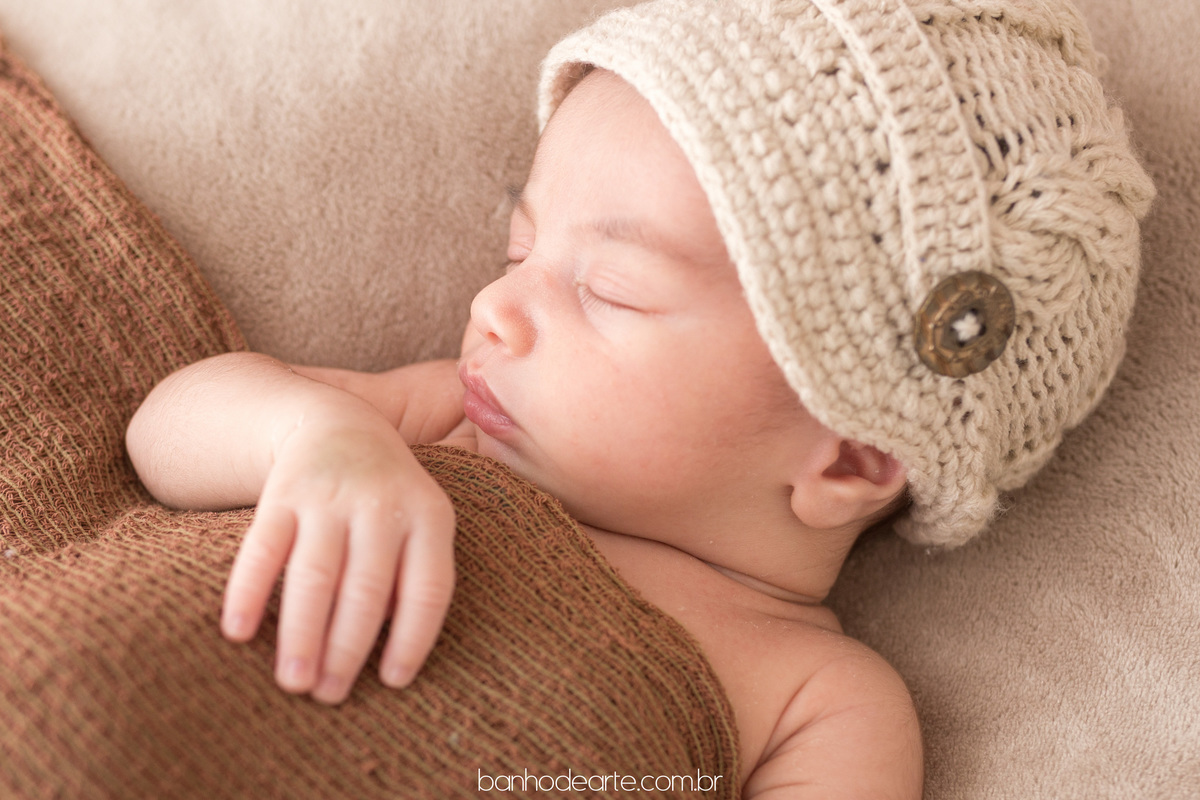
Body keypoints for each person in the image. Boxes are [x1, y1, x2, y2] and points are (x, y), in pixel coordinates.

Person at [126, 0, 1152, 795]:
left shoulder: (815, 700)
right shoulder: (440, 423)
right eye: (519, 247)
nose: (493, 304)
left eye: (607, 289)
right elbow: (158, 430)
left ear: (847, 458)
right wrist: (314, 436)